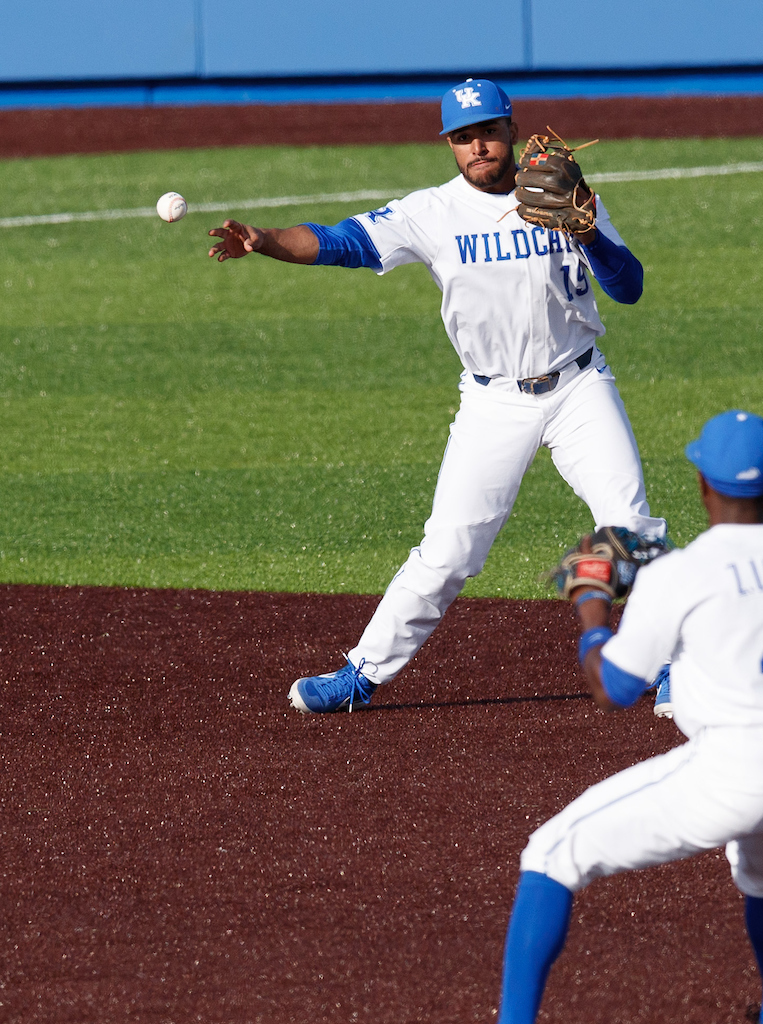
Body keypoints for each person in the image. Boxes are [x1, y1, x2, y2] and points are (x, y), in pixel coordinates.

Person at [438, 410, 763, 1024]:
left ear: (701, 484)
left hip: (731, 772)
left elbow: (613, 687)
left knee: (552, 851)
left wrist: (589, 604)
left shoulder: (682, 573)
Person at [207, 78, 668, 714]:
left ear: (511, 130)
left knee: (631, 524)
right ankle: (363, 673)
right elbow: (344, 242)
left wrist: (585, 227)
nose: (478, 146)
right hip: (493, 402)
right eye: (463, 137)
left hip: (580, 383)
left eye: (488, 131)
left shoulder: (565, 191)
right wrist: (265, 240)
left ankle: (666, 662)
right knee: (449, 548)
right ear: (449, 145)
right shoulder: (431, 213)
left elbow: (630, 287)